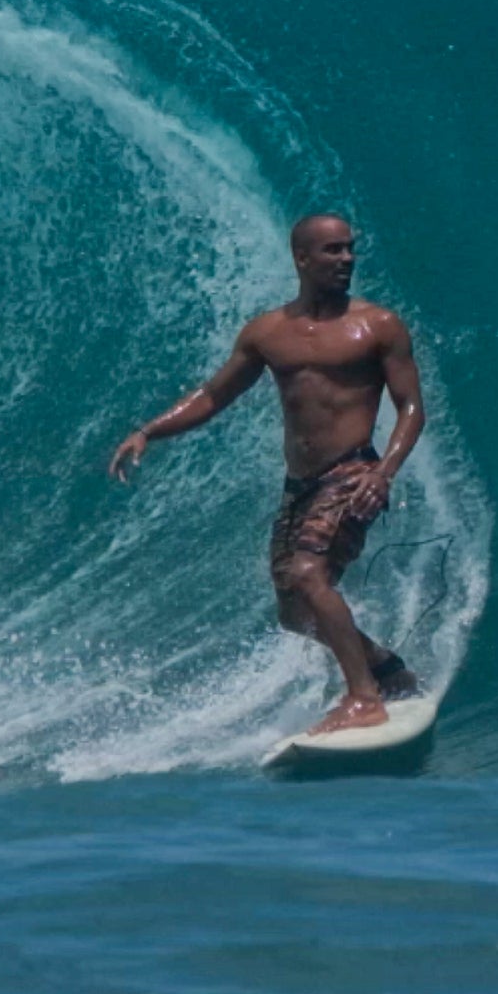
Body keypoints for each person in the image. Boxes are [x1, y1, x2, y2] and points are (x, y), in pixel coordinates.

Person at [108, 212, 429, 733]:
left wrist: (383, 473)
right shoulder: (267, 333)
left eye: (350, 249)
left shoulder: (378, 325)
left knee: (308, 574)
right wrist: (149, 431)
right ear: (301, 258)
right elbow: (213, 395)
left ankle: (363, 697)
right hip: (301, 485)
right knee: (294, 614)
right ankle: (387, 670)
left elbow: (412, 407)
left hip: (353, 472)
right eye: (333, 251)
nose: (347, 259)